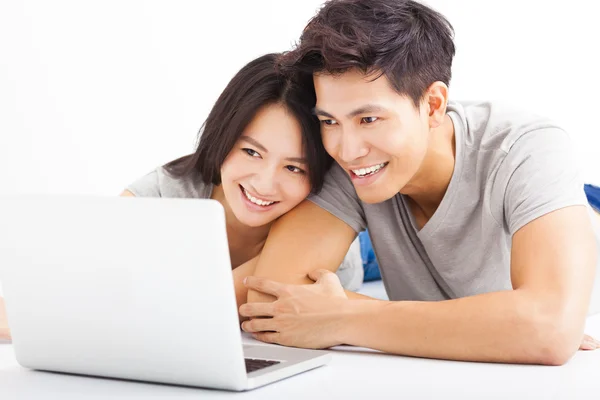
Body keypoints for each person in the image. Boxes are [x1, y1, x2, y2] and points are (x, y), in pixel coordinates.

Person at [238, 0, 600, 364]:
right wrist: (501, 327)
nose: (346, 149)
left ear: (433, 105)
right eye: (330, 121)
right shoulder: (355, 162)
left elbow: (549, 329)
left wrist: (343, 318)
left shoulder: (528, 147)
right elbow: (270, 299)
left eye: (368, 119)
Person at [0, 53, 363, 341]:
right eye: (251, 152)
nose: (264, 184)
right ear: (223, 137)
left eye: (295, 168)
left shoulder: (330, 245)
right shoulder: (164, 193)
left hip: (364, 251)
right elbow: (75, 277)